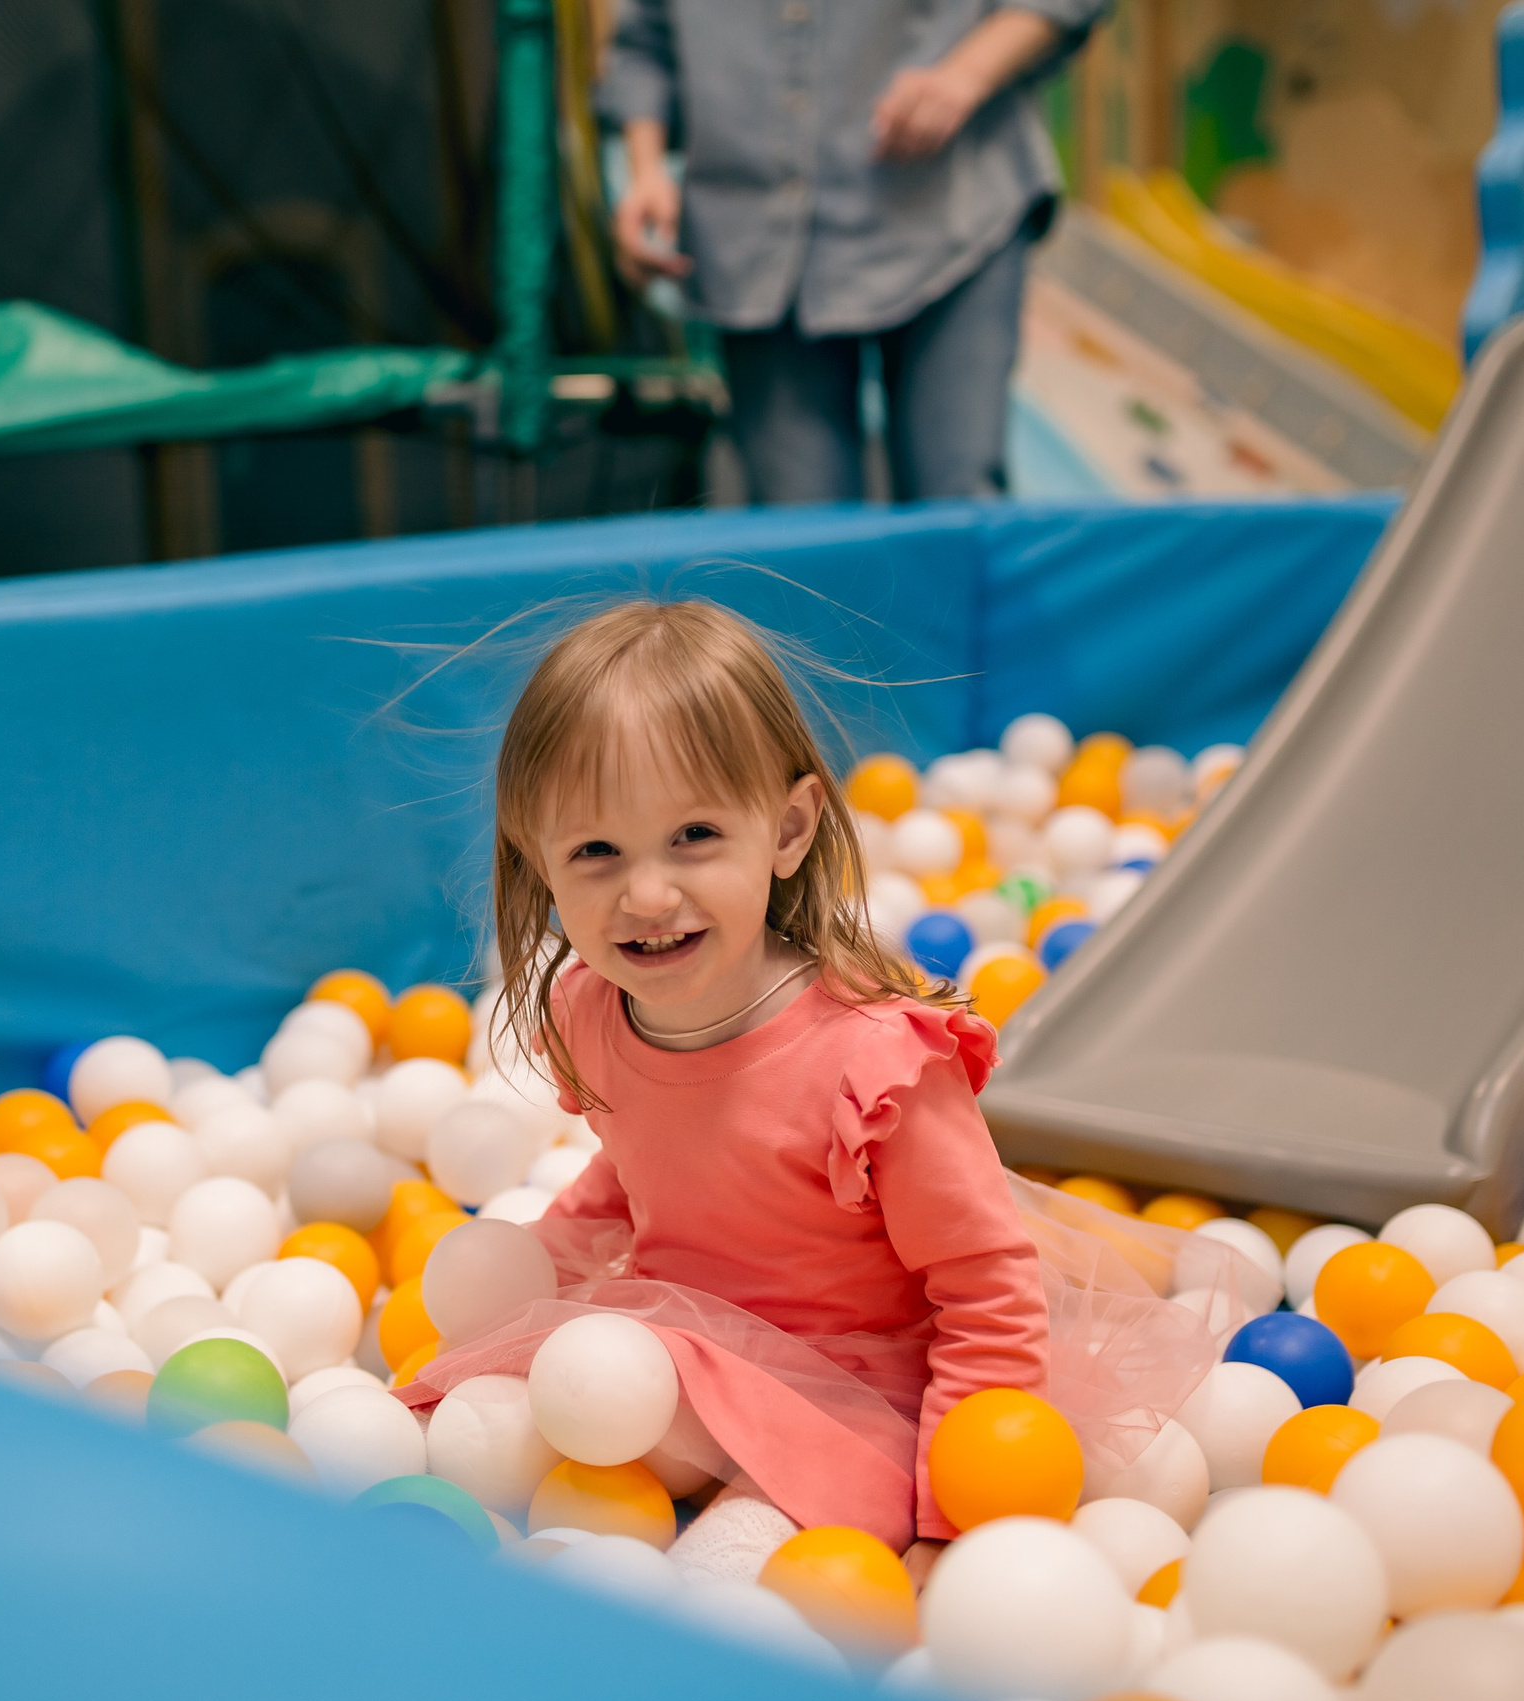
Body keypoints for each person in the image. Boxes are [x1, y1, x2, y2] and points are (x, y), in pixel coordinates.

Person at [406, 598, 1049, 1580]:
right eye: (595, 851)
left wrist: (945, 1517)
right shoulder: (591, 1005)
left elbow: (986, 1289)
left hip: (851, 1392)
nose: (648, 894)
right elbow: (634, 1175)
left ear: (788, 828)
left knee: (725, 1584)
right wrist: (531, 1287)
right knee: (483, 1435)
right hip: (681, 1358)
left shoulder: (870, 1064)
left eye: (694, 834)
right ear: (538, 860)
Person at [605, 0, 1105, 503]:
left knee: (957, 512)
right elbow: (643, 44)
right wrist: (644, 173)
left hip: (952, 207)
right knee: (800, 538)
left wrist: (965, 76)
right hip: (754, 246)